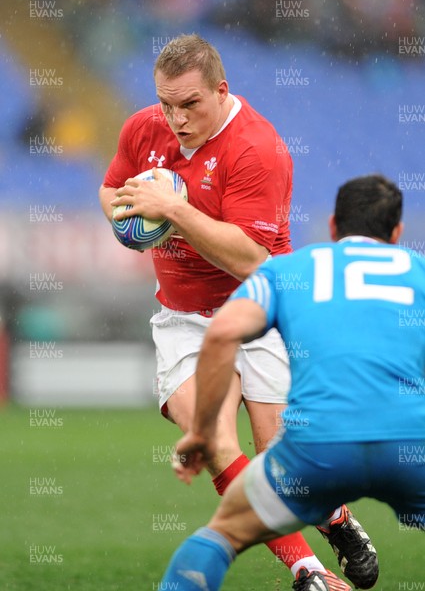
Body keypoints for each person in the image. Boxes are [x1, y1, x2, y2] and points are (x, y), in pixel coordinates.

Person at [99, 34, 377, 589]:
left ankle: (336, 517)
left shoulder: (258, 147)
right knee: (214, 442)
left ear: (221, 91)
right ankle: (310, 572)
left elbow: (252, 260)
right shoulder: (143, 128)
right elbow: (111, 189)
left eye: (190, 105)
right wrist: (129, 222)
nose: (175, 119)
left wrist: (172, 211)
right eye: (166, 104)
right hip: (183, 318)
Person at [162, 174, 425, 590]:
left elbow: (221, 334)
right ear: (397, 233)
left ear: (334, 226)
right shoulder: (419, 271)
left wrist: (202, 431)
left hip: (318, 449)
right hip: (411, 448)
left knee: (222, 535)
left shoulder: (289, 270)